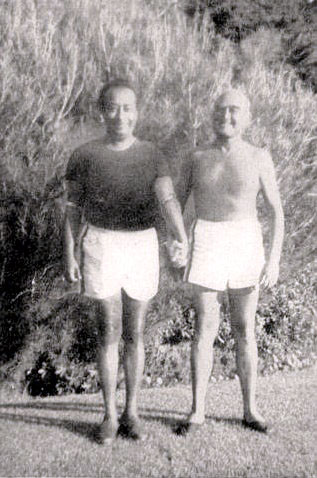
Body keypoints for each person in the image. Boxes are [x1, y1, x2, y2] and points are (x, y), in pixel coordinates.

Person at [63, 79, 187, 443]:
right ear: (102, 112)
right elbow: (71, 210)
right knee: (108, 330)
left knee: (134, 332)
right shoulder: (84, 155)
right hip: (101, 244)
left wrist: (181, 235)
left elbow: (167, 201)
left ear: (137, 113)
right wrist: (68, 251)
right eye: (113, 108)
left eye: (128, 108)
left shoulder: (152, 154)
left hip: (142, 246)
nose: (121, 115)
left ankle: (132, 411)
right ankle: (109, 416)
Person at [163, 88, 284, 433]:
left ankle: (251, 409)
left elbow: (277, 212)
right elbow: (175, 202)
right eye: (220, 110)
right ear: (211, 114)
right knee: (204, 328)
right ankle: (197, 411)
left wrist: (273, 260)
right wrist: (176, 240)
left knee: (245, 329)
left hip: (246, 241)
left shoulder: (259, 156)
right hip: (208, 240)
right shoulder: (197, 157)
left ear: (247, 117)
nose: (226, 116)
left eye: (234, 111)